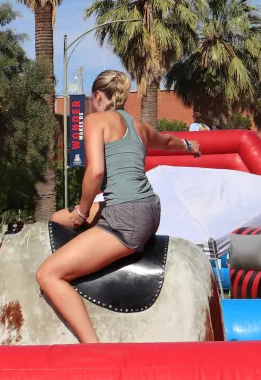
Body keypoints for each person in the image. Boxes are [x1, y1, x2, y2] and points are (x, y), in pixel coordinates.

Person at [39, 70, 201, 344]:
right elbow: (169, 142)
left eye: (93, 101)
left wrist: (81, 212)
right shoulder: (140, 127)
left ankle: (93, 349)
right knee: (56, 217)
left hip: (126, 215)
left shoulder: (95, 121)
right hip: (150, 208)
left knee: (48, 274)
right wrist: (190, 145)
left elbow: (95, 173)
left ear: (97, 96)